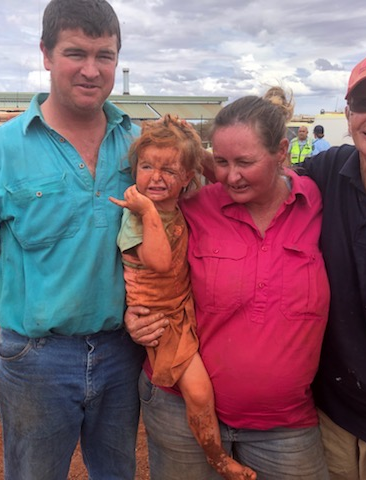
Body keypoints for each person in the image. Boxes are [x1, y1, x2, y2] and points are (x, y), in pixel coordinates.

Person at [0, 1, 146, 479]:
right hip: (36, 359)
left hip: (123, 351)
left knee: (117, 472)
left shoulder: (138, 146)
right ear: (46, 54)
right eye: (76, 53)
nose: (91, 70)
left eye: (105, 56)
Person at [125, 86, 331, 479]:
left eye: (245, 162)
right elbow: (144, 266)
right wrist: (133, 315)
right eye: (220, 162)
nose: (231, 176)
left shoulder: (315, 202)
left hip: (284, 424)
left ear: (282, 152)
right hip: (178, 408)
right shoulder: (191, 207)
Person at [109, 115, 256, 480]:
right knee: (199, 393)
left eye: (168, 170)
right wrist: (146, 212)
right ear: (134, 170)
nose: (155, 177)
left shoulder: (177, 203)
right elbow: (158, 261)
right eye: (146, 167)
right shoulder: (139, 215)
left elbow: (211, 173)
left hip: (182, 308)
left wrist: (189, 137)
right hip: (163, 321)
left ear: (187, 177)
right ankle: (217, 458)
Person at [298, 56, 366, 479]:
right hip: (337, 411)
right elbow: (258, 178)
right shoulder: (326, 171)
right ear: (348, 114)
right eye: (364, 102)